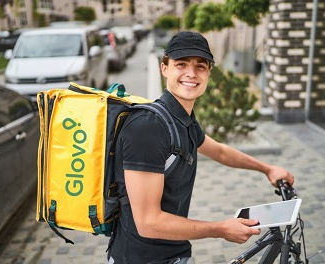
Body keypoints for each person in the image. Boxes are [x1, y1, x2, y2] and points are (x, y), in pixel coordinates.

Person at [108, 31, 294, 264]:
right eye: (181, 64)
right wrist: (220, 229)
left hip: (173, 253)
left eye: (200, 66)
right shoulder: (148, 128)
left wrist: (267, 168)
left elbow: (219, 151)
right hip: (140, 258)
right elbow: (148, 222)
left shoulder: (180, 118)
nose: (191, 73)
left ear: (208, 73)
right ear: (164, 68)